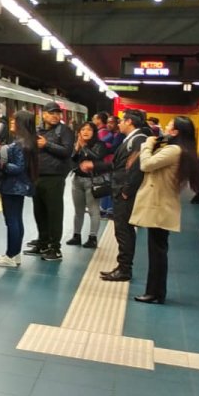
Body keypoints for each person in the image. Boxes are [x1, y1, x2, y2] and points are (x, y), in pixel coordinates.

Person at [127, 117, 199, 304]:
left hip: (159, 206)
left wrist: (147, 144)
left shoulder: (174, 150)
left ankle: (155, 292)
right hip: (161, 204)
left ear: (176, 132)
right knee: (157, 250)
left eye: (169, 126)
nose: (165, 128)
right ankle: (155, 291)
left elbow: (146, 164)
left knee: (157, 252)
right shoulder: (177, 148)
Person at [80, 109, 152, 282]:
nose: (118, 123)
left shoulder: (138, 140)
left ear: (129, 122)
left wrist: (126, 191)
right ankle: (122, 266)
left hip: (124, 192)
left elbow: (135, 169)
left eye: (121, 121)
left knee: (124, 231)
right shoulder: (132, 140)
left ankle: (125, 269)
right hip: (120, 189)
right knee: (121, 230)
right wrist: (95, 166)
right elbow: (117, 165)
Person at [26, 102, 75, 261]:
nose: (56, 116)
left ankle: (55, 247)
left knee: (54, 213)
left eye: (58, 113)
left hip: (54, 177)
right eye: (52, 113)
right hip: (37, 177)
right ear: (43, 114)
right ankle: (43, 242)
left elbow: (67, 151)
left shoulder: (64, 131)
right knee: (39, 212)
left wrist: (47, 144)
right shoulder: (38, 131)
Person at [0, 110, 38, 268]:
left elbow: (18, 167)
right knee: (16, 219)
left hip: (12, 186)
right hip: (19, 186)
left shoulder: (19, 144)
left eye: (14, 121)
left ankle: (10, 255)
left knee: (12, 221)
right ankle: (15, 254)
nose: (11, 123)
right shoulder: (29, 141)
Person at [67, 122, 109, 249]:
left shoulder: (100, 145)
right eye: (83, 129)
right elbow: (71, 160)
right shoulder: (77, 145)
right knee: (78, 210)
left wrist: (84, 146)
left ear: (94, 132)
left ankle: (92, 238)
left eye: (89, 130)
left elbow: (97, 157)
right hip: (77, 180)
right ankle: (76, 236)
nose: (85, 132)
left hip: (93, 181)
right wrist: (76, 149)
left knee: (93, 210)